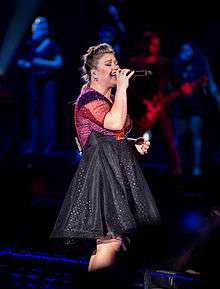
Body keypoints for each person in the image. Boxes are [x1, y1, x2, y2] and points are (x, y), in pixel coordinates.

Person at [50, 43, 160, 272]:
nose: (115, 68)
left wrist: (132, 143)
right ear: (94, 73)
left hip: (112, 169)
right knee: (111, 241)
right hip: (102, 173)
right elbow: (114, 123)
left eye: (116, 63)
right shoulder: (90, 99)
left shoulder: (104, 100)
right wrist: (121, 88)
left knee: (111, 242)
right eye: (108, 64)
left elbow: (104, 136)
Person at [128, 31, 182, 175]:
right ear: (144, 45)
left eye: (157, 44)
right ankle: (132, 174)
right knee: (136, 142)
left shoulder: (164, 63)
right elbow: (129, 87)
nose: (155, 47)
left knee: (169, 140)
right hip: (140, 110)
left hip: (160, 108)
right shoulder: (135, 62)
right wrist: (143, 101)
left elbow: (177, 84)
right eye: (152, 44)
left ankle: (176, 173)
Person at [172, 41, 220, 176]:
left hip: (196, 105)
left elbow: (211, 86)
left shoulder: (200, 66)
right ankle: (177, 165)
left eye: (188, 50)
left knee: (196, 134)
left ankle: (196, 166)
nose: (185, 53)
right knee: (178, 136)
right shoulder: (175, 65)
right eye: (183, 50)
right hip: (180, 105)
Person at [17, 16, 63, 154]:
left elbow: (58, 62)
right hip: (33, 82)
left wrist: (41, 62)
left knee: (47, 114)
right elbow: (20, 60)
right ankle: (32, 144)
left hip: (47, 83)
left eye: (42, 26)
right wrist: (25, 64)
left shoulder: (51, 44)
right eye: (37, 26)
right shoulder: (29, 44)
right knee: (32, 113)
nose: (39, 28)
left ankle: (47, 146)